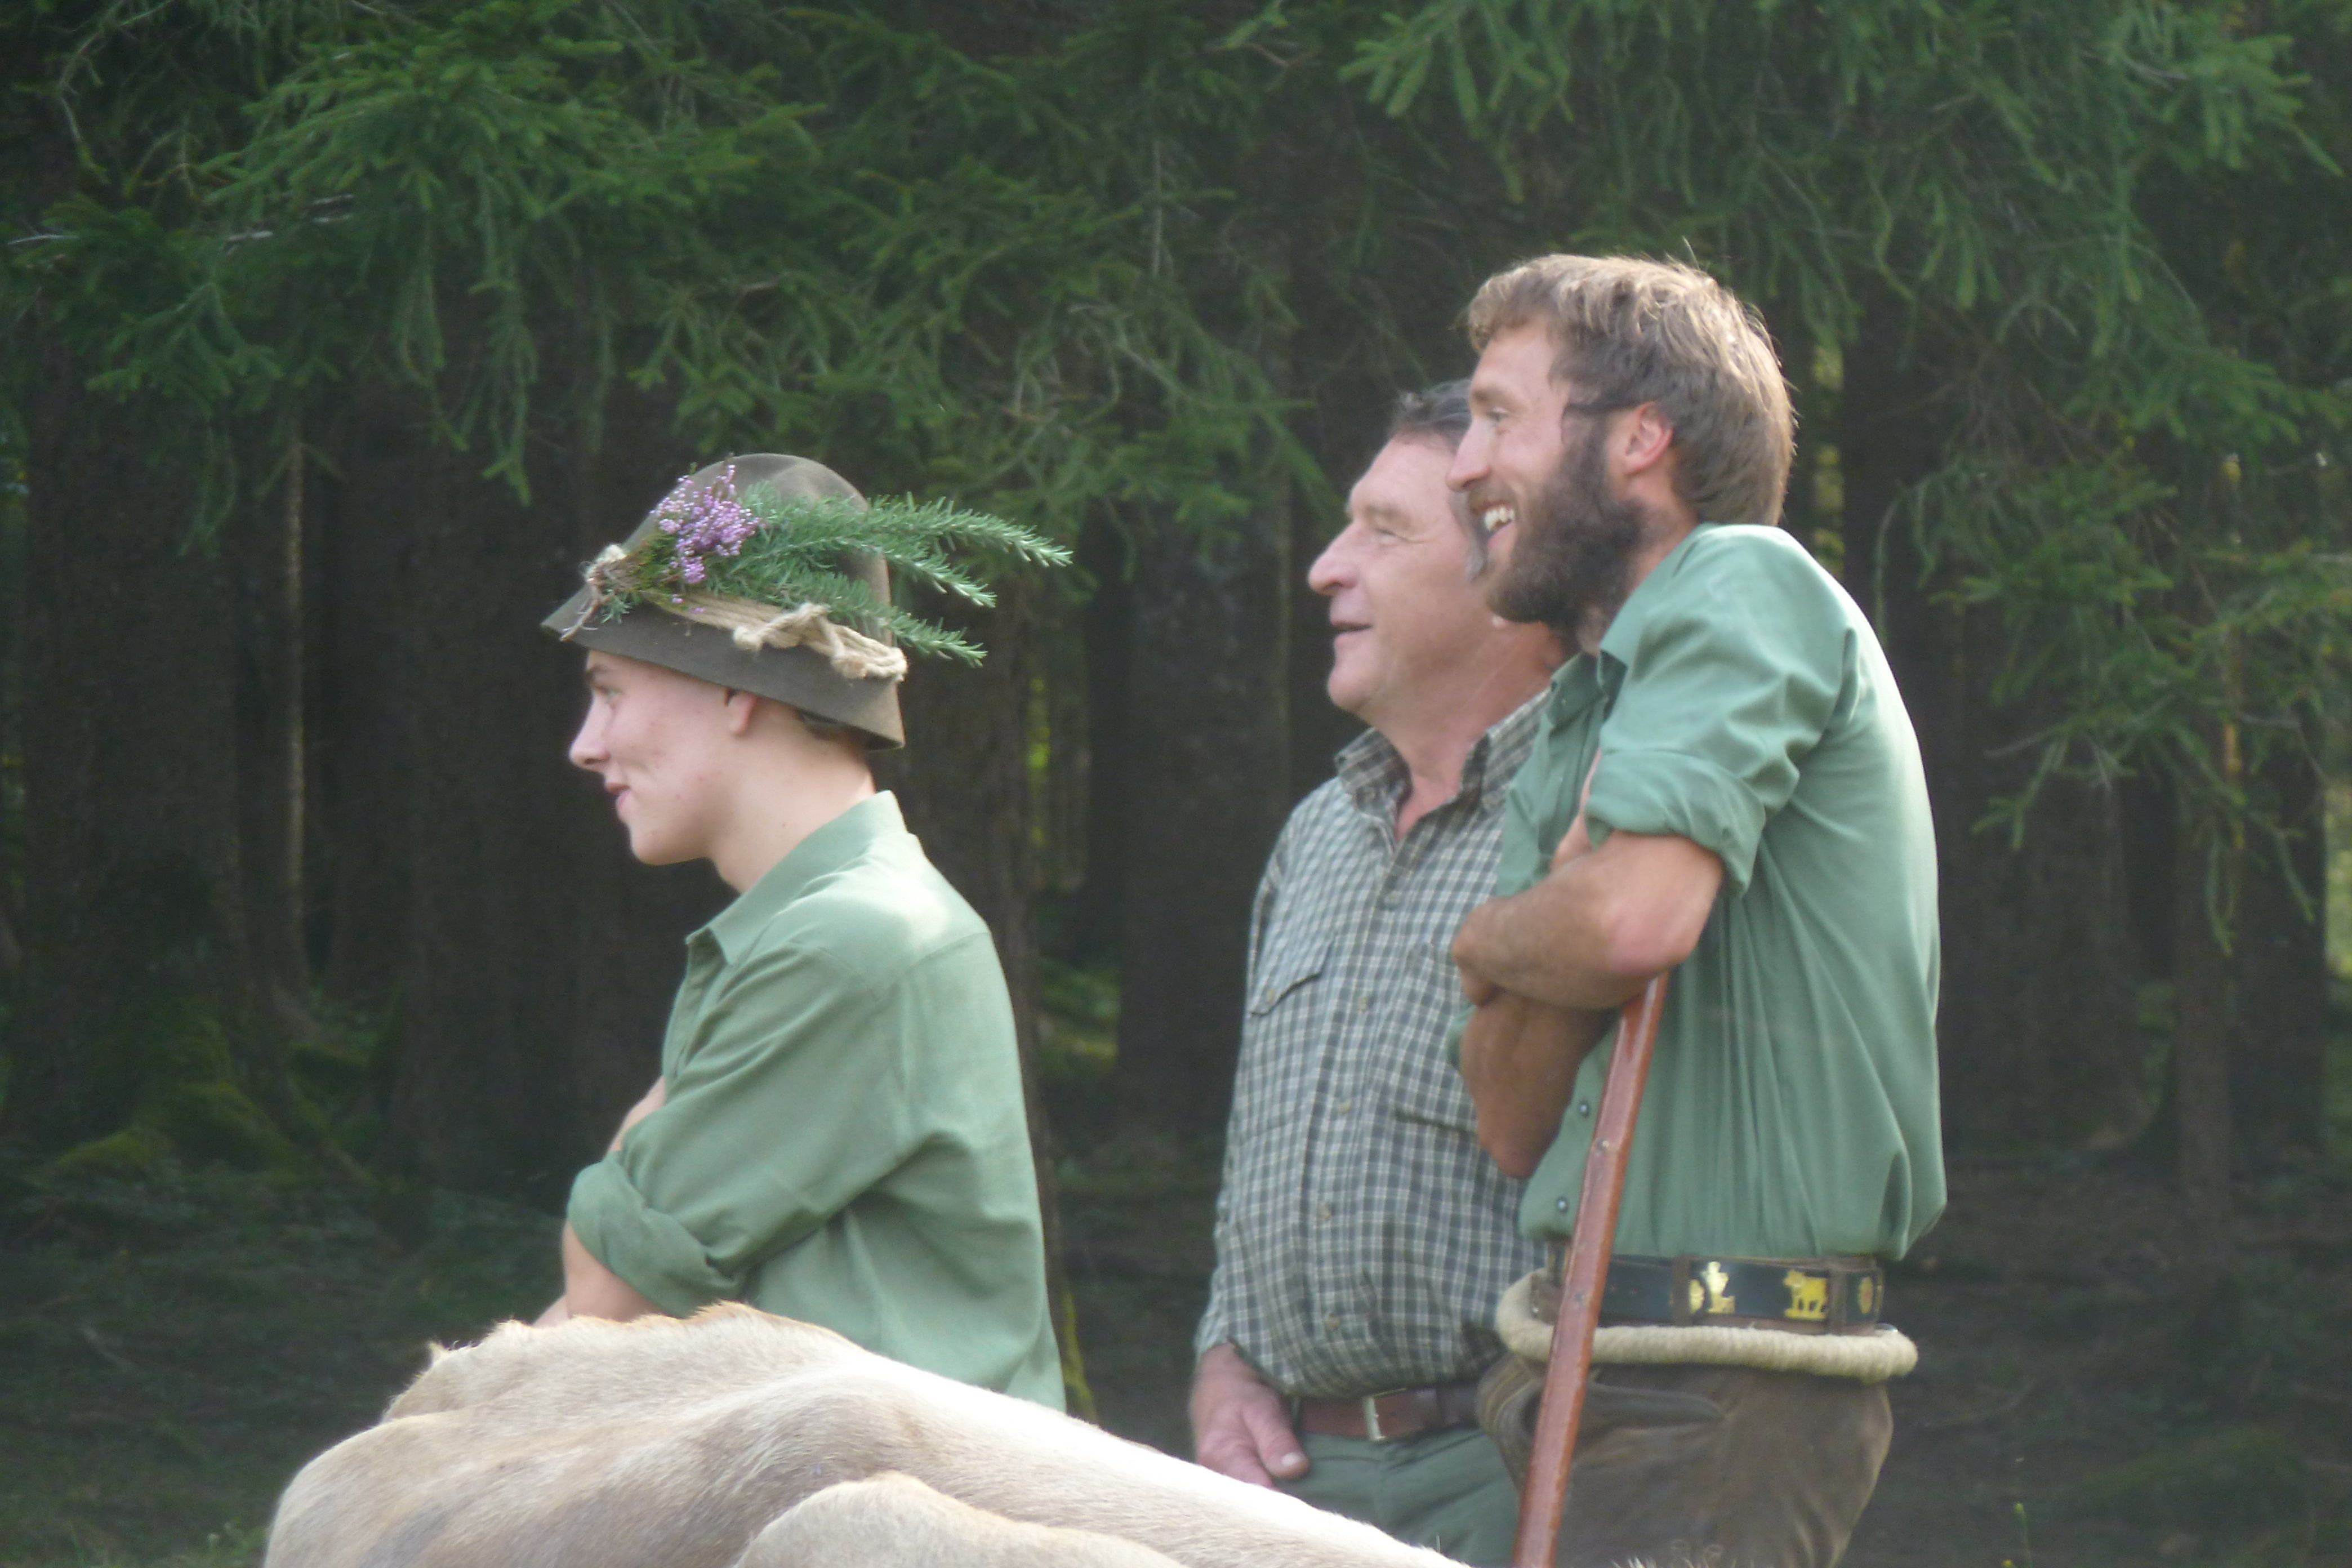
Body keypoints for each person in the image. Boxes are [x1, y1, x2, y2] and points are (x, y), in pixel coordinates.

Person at [1444, 255, 1944, 1567]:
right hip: (1584, 1369)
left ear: (1640, 438)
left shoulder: (1743, 580)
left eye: (1498, 416)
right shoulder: (1577, 711)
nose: (1463, 466)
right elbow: (1508, 1117)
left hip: (1725, 1389)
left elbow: (1629, 927)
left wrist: (1491, 940)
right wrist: (1566, 930)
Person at [531, 452, 1065, 1409]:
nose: (586, 745)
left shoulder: (854, 941)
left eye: (610, 691)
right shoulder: (833, 924)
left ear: (736, 690)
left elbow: (608, 1293)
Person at [1189, 384, 1563, 1566]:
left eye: (1383, 531)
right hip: (1289, 1487)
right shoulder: (1319, 833)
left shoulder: (1599, 824)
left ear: (1508, 565)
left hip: (1509, 1469)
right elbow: (1256, 1158)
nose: (1324, 568)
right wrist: (1222, 1358)